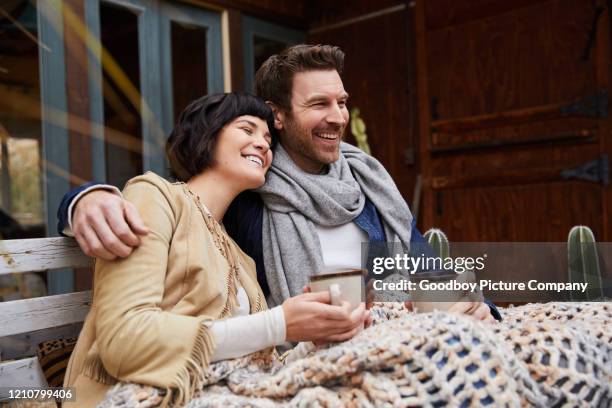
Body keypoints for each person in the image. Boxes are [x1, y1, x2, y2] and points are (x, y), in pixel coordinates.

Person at [57, 44, 500, 322]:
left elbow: (420, 262)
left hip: (392, 332)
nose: (338, 117)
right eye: (320, 103)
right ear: (280, 115)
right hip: (302, 350)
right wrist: (83, 199)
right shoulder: (249, 189)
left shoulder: (366, 184)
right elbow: (178, 200)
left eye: (342, 102)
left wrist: (473, 305)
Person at [63, 93, 368, 407]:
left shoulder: (239, 254)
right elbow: (124, 340)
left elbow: (256, 358)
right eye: (247, 130)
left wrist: (317, 333)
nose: (264, 145)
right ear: (206, 134)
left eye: (267, 138)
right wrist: (279, 324)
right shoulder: (155, 195)